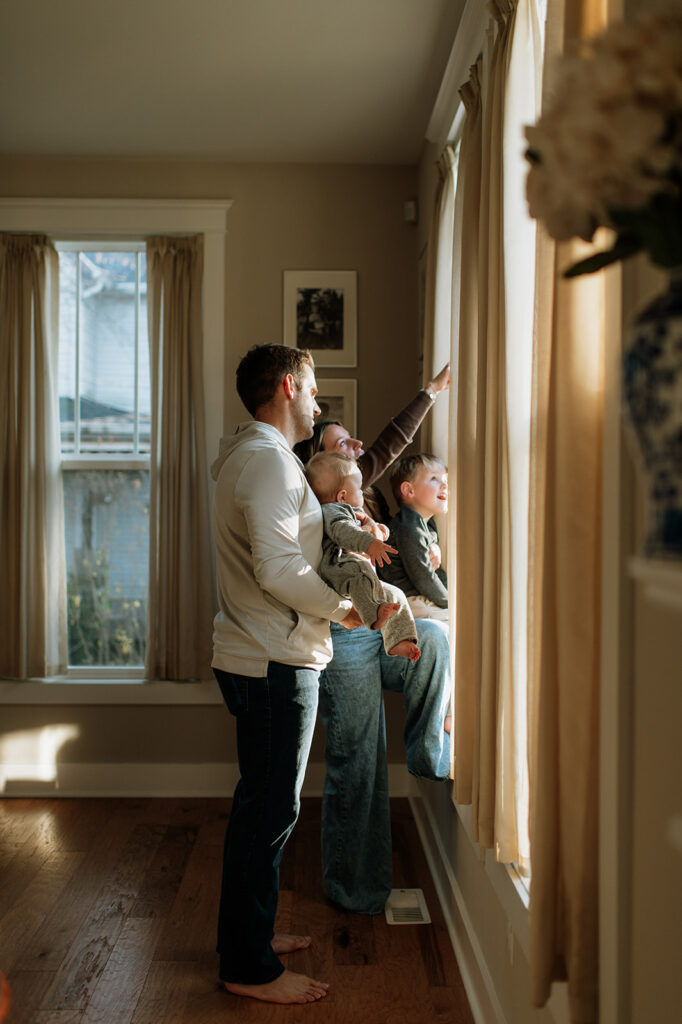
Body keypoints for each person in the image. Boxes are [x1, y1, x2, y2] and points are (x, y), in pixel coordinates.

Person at [210, 343, 361, 1005]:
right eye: (313, 388)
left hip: (260, 653)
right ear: (287, 384)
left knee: (262, 810)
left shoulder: (254, 455)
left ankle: (250, 937)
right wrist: (345, 608)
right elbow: (278, 570)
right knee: (269, 812)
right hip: (273, 660)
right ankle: (246, 969)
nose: (319, 402)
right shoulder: (268, 463)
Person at [295, 365, 453, 915]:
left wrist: (429, 392)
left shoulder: (357, 489)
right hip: (344, 636)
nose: (356, 450)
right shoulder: (316, 501)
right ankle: (355, 888)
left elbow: (385, 446)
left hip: (384, 626)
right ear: (321, 466)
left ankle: (428, 751)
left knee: (433, 640)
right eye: (342, 445)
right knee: (358, 760)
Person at [305, 451, 421, 661]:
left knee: (395, 595)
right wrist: (370, 543)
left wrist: (379, 530)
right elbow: (343, 531)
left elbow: (362, 527)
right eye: (359, 489)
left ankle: (399, 640)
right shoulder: (333, 510)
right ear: (342, 496)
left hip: (354, 571)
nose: (363, 492)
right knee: (362, 572)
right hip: (338, 567)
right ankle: (373, 617)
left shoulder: (350, 511)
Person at [380, 453, 449, 623]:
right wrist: (448, 601)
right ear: (409, 490)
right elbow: (422, 576)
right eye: (434, 479)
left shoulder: (421, 522)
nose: (444, 485)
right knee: (459, 622)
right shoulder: (408, 528)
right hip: (408, 600)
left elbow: (431, 532)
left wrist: (433, 544)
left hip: (418, 597)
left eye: (445, 480)